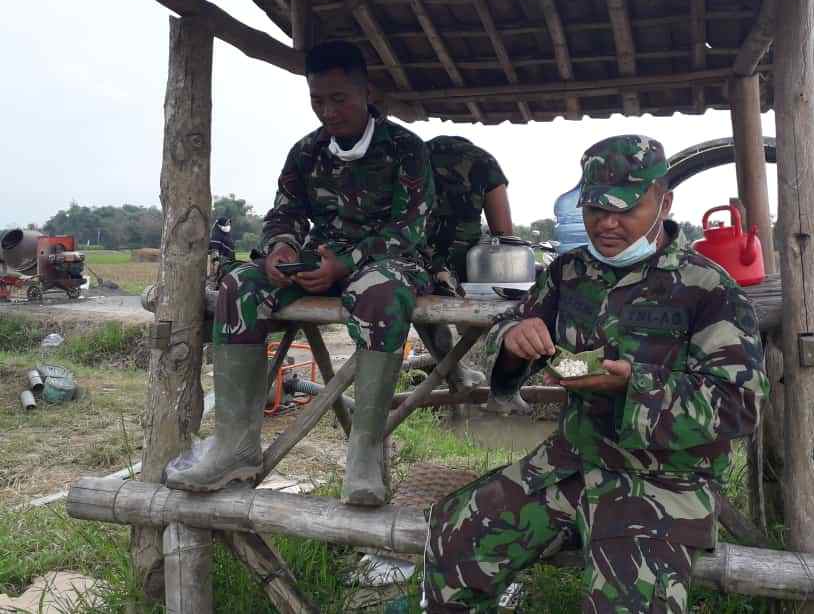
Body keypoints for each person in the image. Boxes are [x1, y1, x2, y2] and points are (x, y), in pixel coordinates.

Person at [423, 135, 768, 613]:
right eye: (595, 208)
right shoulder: (568, 272)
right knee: (454, 537)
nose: (606, 223)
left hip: (662, 481)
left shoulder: (708, 288)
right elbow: (508, 330)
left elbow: (739, 404)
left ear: (664, 202)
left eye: (625, 209)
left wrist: (634, 386)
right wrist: (514, 340)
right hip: (570, 461)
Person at [165, 41, 435, 507]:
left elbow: (410, 228)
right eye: (317, 100)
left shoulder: (404, 148)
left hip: (389, 261)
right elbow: (284, 214)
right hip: (320, 258)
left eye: (339, 99)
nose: (328, 111)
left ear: (366, 93)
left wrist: (346, 263)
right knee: (239, 284)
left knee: (380, 293)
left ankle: (364, 454)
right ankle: (235, 446)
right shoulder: (306, 152)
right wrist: (282, 248)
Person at [425, 135, 512, 284]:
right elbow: (504, 236)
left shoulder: (415, 154)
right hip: (465, 268)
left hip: (415, 265)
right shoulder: (484, 160)